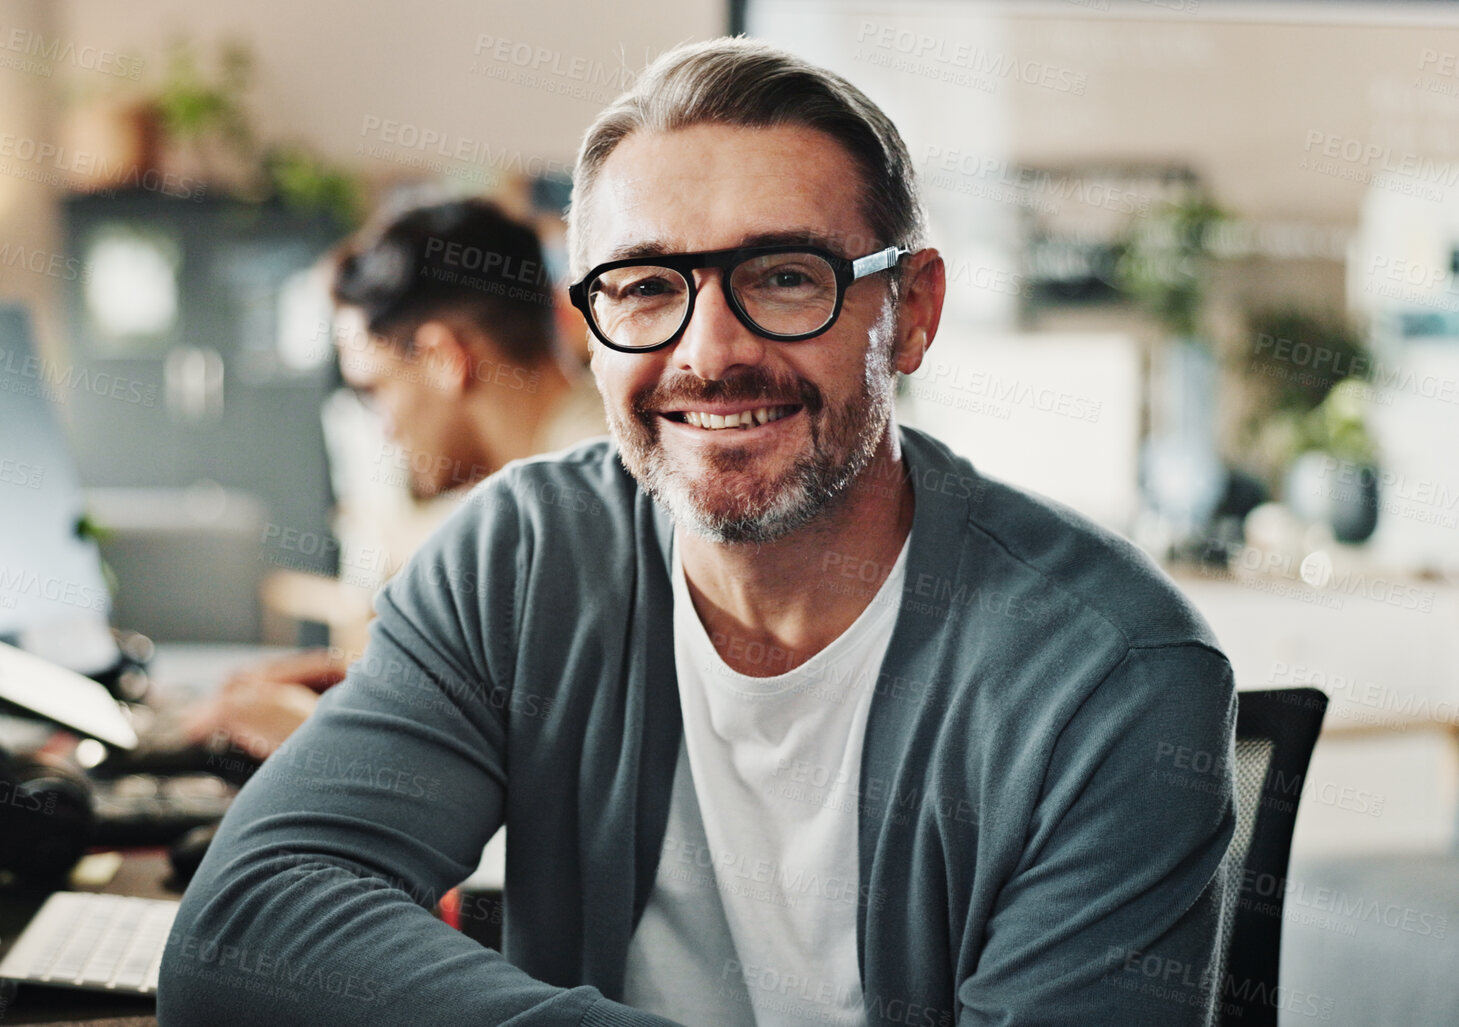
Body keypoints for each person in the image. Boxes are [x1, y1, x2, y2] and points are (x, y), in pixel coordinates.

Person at [159, 37, 1237, 1027]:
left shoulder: (1113, 672)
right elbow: (243, 932)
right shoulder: (520, 560)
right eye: (644, 286)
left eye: (782, 276)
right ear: (590, 330)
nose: (709, 350)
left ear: (912, 311)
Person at [180, 198, 607, 759]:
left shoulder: (569, 507)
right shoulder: (572, 466)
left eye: (375, 389)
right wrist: (366, 683)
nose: (384, 430)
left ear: (442, 358)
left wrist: (307, 734)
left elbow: (531, 779)